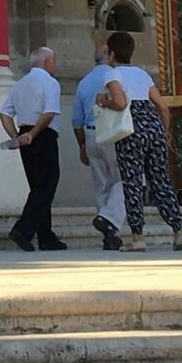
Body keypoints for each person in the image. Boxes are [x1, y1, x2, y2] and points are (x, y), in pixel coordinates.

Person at [103, 29, 182, 251]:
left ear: (111, 54)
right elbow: (163, 107)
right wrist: (165, 133)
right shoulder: (142, 74)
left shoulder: (111, 74)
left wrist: (102, 101)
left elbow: (119, 103)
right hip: (154, 128)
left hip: (131, 130)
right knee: (161, 181)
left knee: (133, 183)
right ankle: (178, 232)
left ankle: (138, 237)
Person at [0, 47, 65, 252]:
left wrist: (16, 136)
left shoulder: (19, 84)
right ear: (46, 63)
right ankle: (23, 229)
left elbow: (4, 114)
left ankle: (46, 237)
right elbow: (49, 113)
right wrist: (34, 134)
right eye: (54, 61)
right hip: (42, 135)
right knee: (47, 185)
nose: (56, 65)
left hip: (25, 135)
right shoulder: (50, 83)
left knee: (38, 186)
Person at [71, 44, 125, 250]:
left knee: (101, 184)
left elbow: (76, 119)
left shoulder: (84, 82)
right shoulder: (114, 75)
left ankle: (110, 234)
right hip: (112, 133)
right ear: (110, 56)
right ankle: (108, 218)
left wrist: (82, 146)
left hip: (90, 132)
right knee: (123, 179)